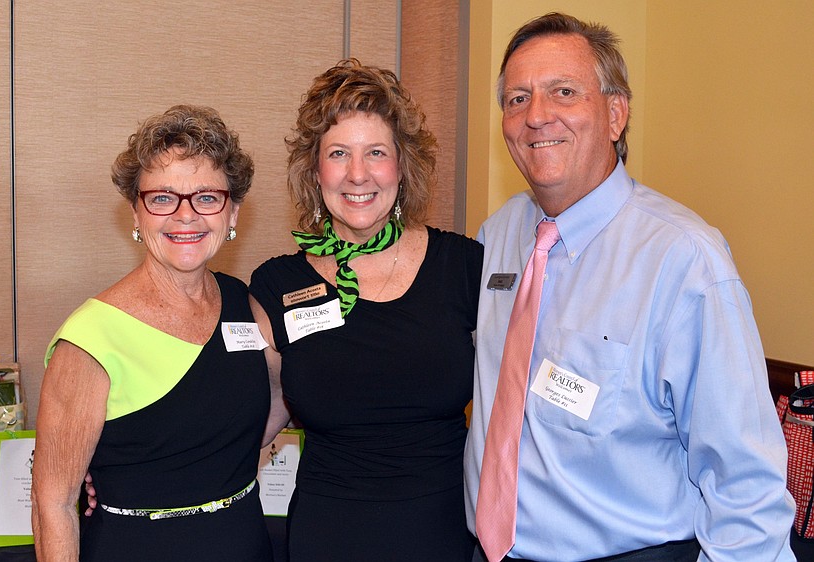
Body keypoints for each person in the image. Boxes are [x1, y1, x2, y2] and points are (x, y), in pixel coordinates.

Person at [464, 12, 795, 562]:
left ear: (616, 114)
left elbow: (745, 483)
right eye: (517, 99)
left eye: (563, 92)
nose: (536, 116)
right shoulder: (497, 235)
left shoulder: (684, 260)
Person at [249, 59, 483, 561]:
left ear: (403, 165)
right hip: (327, 534)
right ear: (315, 170)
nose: (358, 174)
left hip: (444, 534)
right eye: (339, 153)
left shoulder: (465, 266)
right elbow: (254, 417)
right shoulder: (277, 285)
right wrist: (128, 468)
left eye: (376, 152)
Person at [32, 105, 274, 561]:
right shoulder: (91, 337)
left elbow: (274, 402)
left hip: (245, 543)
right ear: (136, 213)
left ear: (233, 211)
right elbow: (55, 503)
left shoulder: (244, 304)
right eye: (163, 198)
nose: (186, 217)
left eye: (206, 197)